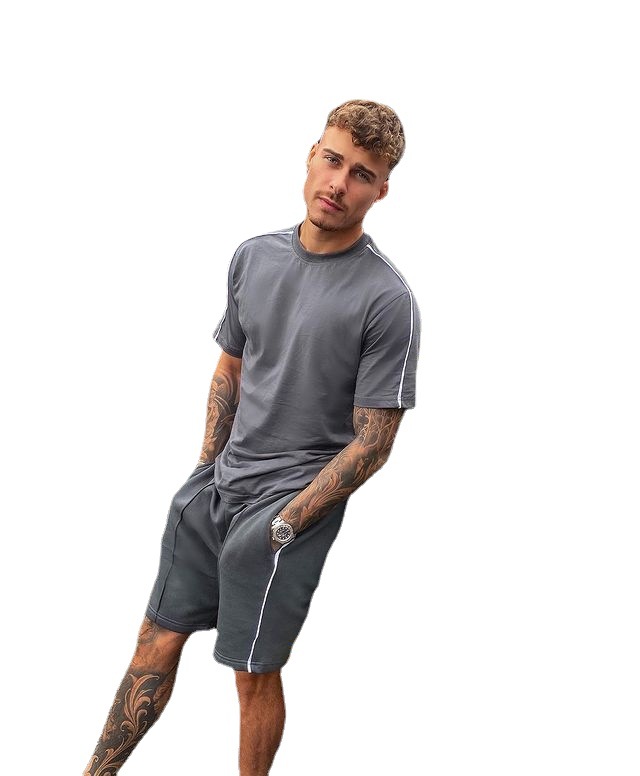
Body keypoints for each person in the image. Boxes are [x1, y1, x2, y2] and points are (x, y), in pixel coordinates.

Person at [83, 98, 421, 776]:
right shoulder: (253, 257)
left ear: (381, 190)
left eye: (361, 174)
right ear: (311, 155)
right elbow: (230, 369)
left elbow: (374, 442)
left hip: (287, 504)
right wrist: (203, 469)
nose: (338, 183)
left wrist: (286, 522)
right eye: (333, 160)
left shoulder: (388, 300)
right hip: (218, 487)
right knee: (153, 639)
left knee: (251, 672)